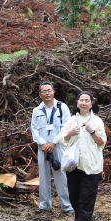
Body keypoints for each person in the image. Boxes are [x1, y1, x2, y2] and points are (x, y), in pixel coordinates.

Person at [59, 91, 107, 221]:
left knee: (87, 196)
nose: (84, 103)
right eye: (82, 100)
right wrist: (69, 134)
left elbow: (102, 142)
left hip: (90, 164)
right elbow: (62, 139)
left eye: (87, 100)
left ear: (92, 103)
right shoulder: (71, 120)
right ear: (77, 102)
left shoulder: (97, 121)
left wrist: (92, 131)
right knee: (74, 194)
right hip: (73, 164)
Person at [31, 81, 73, 213]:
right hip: (42, 148)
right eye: (44, 91)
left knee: (61, 176)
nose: (47, 93)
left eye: (49, 90)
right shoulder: (36, 111)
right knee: (43, 177)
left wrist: (54, 142)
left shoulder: (62, 107)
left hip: (58, 146)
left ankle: (67, 205)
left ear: (54, 92)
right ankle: (44, 205)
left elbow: (66, 127)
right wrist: (43, 143)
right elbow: (34, 129)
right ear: (40, 95)